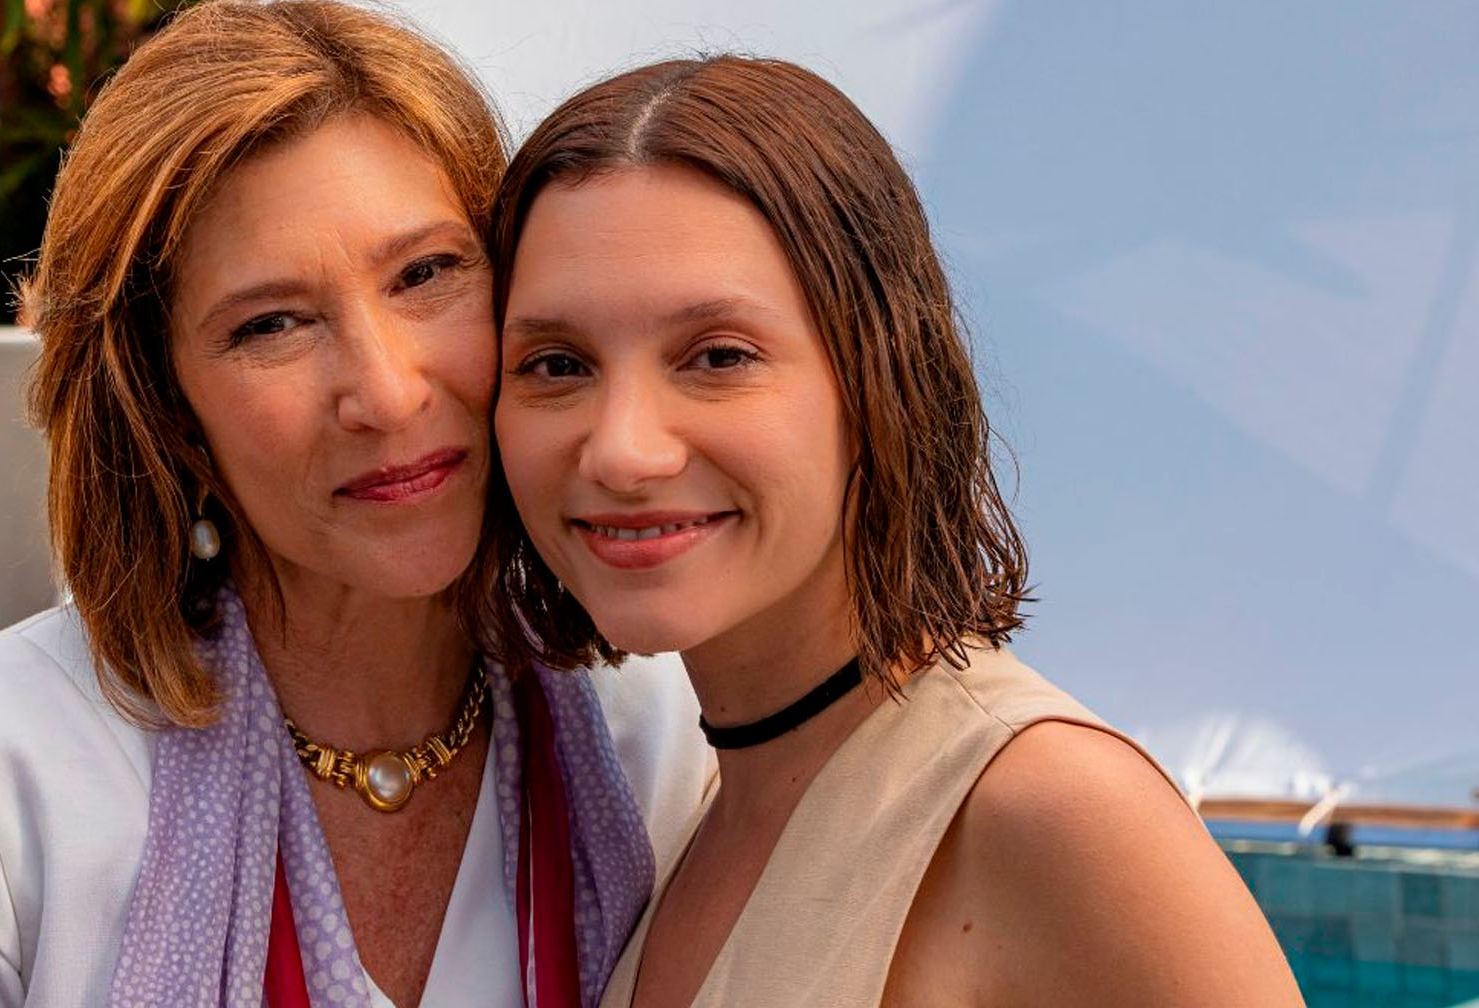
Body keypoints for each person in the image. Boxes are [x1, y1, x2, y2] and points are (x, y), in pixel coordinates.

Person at [0, 5, 712, 1006]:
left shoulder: (660, 734)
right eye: (271, 325)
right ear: (164, 406)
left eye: (426, 274)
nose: (386, 394)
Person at [480, 56, 1305, 1007]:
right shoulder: (684, 822)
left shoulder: (1057, 810)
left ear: (882, 378)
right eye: (556, 364)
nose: (623, 451)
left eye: (718, 356)